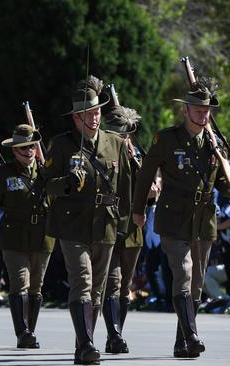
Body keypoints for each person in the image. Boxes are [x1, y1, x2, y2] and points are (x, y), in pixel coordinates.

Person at [132, 79, 230, 358]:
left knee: (196, 282)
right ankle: (193, 336)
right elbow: (146, 175)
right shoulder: (167, 138)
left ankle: (182, 341)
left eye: (207, 110)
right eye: (198, 109)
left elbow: (216, 183)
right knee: (183, 271)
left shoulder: (214, 144)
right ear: (186, 111)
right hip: (174, 216)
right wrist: (138, 209)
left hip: (204, 219)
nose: (203, 115)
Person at [45, 75, 131, 365]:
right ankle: (85, 344)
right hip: (73, 223)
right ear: (75, 118)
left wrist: (125, 224)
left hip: (105, 223)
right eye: (87, 114)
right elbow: (46, 185)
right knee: (81, 280)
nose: (94, 118)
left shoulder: (115, 143)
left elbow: (126, 187)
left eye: (96, 112)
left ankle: (86, 343)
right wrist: (67, 182)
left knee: (97, 289)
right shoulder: (60, 145)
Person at [0, 124, 54, 349]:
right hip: (14, 236)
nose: (29, 151)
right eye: (23, 148)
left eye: (31, 146)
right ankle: (23, 333)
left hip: (43, 236)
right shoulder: (3, 173)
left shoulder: (46, 171)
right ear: (14, 151)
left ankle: (31, 329)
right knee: (20, 284)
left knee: (36, 288)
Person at [100, 105, 160, 353]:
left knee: (125, 286)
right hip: (109, 225)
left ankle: (117, 332)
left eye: (125, 135)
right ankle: (114, 335)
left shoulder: (138, 158)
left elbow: (149, 191)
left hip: (132, 229)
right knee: (112, 283)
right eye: (118, 135)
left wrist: (152, 192)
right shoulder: (102, 155)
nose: (122, 139)